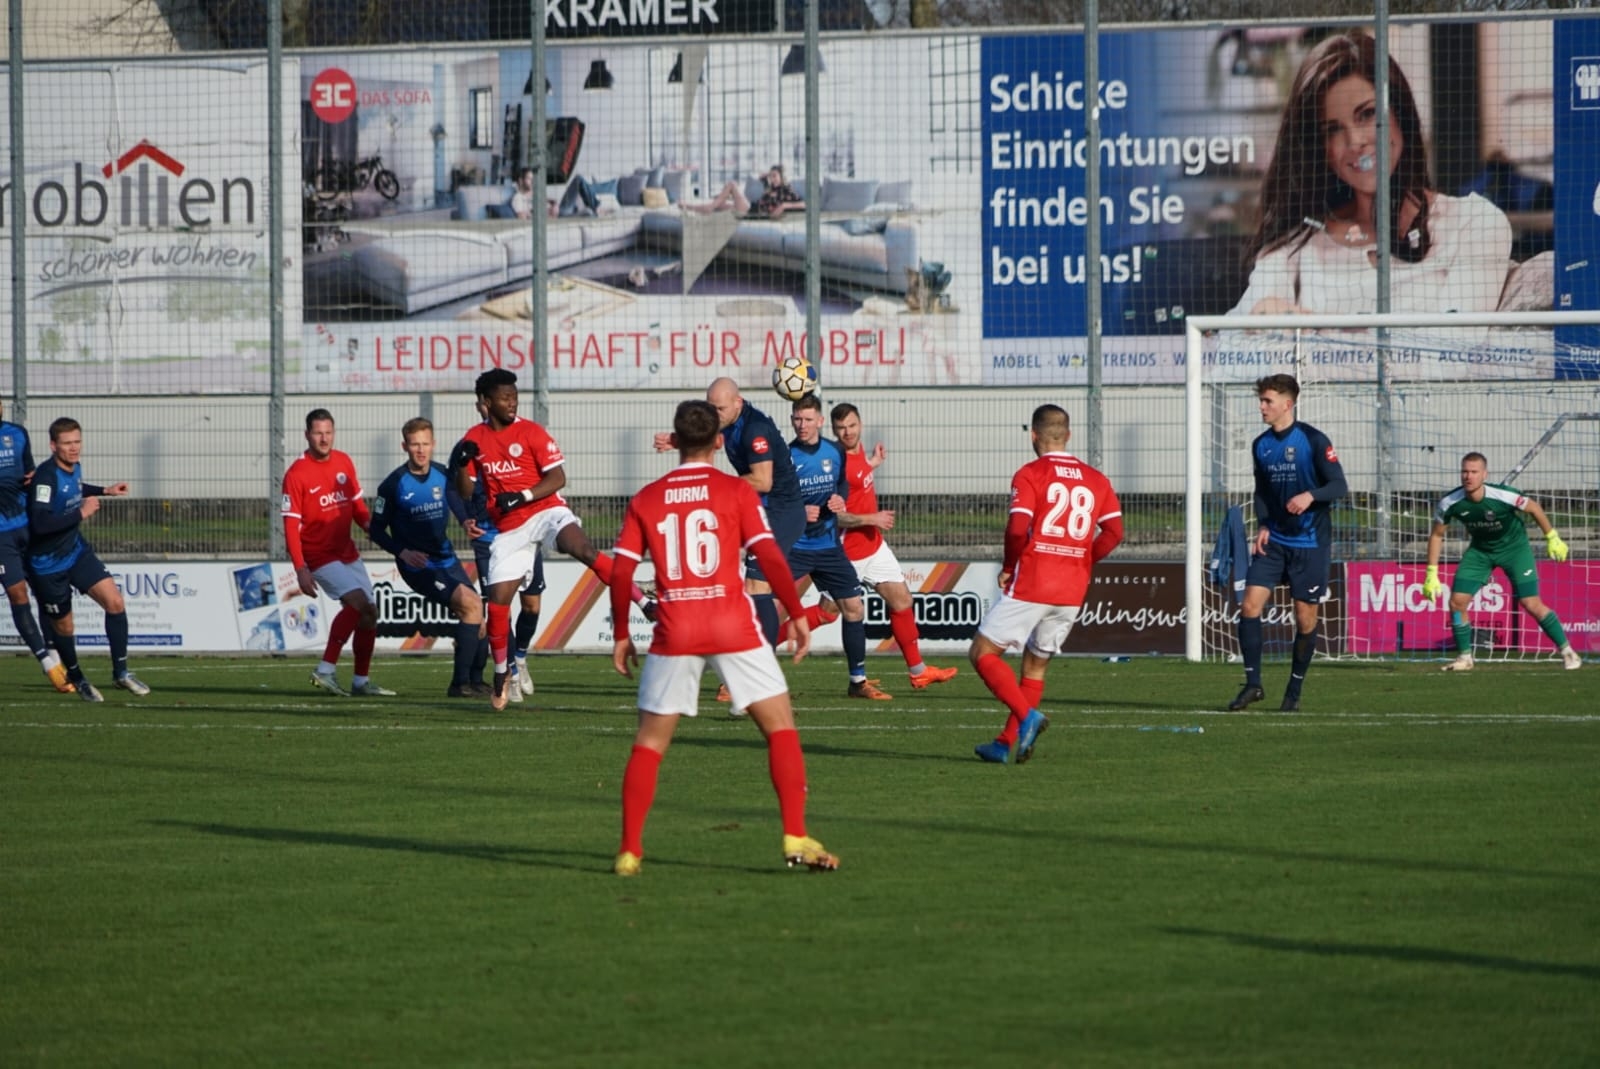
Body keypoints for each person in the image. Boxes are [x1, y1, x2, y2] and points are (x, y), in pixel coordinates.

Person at [608, 399, 837, 877]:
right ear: (718, 441)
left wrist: (622, 634)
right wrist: (796, 612)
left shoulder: (647, 498)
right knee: (780, 728)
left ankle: (629, 851)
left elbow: (623, 570)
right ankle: (795, 834)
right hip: (733, 625)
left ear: (675, 440)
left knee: (649, 744)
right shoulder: (735, 491)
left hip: (676, 630)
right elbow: (769, 556)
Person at [1229, 30, 1512, 324]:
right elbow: (1238, 336)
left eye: (1366, 114)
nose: (1355, 142)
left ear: (1399, 112)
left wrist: (1316, 331)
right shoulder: (1296, 245)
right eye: (1333, 130)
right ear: (1319, 148)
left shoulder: (1474, 223)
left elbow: (1457, 345)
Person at [450, 368, 652, 711]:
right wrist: (460, 465)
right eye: (504, 398)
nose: (512, 403)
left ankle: (644, 603)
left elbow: (558, 478)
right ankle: (502, 673)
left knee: (583, 548)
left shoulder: (531, 432)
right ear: (486, 402)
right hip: (510, 530)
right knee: (498, 603)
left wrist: (522, 496)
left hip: (545, 510)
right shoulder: (474, 438)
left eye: (514, 397)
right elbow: (467, 493)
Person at [969, 405, 1123, 764]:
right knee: (1035, 667)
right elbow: (1114, 532)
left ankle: (1027, 717)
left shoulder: (1030, 474)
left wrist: (1010, 566)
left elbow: (1017, 529)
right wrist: (1082, 560)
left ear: (1033, 435)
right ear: (1068, 436)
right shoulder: (1096, 479)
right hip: (1071, 589)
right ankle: (1004, 744)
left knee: (982, 653)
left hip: (1035, 580)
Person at [653, 377, 805, 651]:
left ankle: (763, 663)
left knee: (756, 586)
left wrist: (715, 484)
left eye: (720, 408)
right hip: (758, 508)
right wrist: (677, 441)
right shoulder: (726, 420)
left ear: (738, 402)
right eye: (710, 407)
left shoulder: (755, 430)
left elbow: (763, 481)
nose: (714, 414)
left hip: (781, 511)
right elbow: (706, 438)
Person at [1228, 375, 1348, 713]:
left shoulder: (1312, 440)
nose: (1261, 407)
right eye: (1261, 400)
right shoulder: (1261, 445)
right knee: (1249, 606)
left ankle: (1293, 692)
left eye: (1267, 401)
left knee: (1305, 619)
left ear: (1287, 404)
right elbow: (1262, 492)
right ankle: (1253, 684)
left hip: (1309, 543)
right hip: (1275, 541)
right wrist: (1264, 524)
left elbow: (1339, 486)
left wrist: (1311, 495)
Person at [826, 402, 960, 692]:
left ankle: (918, 672)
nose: (847, 432)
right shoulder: (836, 463)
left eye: (851, 425)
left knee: (902, 601)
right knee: (826, 613)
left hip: (873, 547)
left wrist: (872, 464)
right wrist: (871, 518)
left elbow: (858, 478)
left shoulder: (859, 454)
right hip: (847, 553)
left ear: (860, 424)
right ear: (833, 431)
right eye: (841, 428)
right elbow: (835, 516)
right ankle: (756, 652)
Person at [25, 417, 149, 701]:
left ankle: (121, 673)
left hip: (76, 552)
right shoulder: (45, 477)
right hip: (47, 565)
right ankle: (77, 677)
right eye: (67, 443)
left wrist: (105, 490)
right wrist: (81, 513)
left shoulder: (74, 467)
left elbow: (75, 488)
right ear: (53, 446)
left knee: (115, 602)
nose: (74, 448)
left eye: (77, 442)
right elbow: (40, 524)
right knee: (65, 628)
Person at [1422, 452, 1581, 672]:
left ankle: (1567, 651)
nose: (1468, 476)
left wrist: (1552, 537)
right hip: (1480, 552)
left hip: (1515, 550)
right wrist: (1431, 573)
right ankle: (1465, 658)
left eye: (1474, 472)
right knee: (1457, 602)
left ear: (1484, 475)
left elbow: (1533, 508)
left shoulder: (1502, 495)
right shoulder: (1450, 502)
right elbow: (1437, 535)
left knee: (1530, 603)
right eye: (1465, 471)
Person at [367, 418, 486, 698]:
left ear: (433, 444)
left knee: (478, 616)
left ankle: (477, 681)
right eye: (414, 444)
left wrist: (466, 521)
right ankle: (459, 685)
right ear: (405, 446)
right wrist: (403, 552)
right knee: (471, 605)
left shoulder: (444, 475)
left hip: (446, 558)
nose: (420, 450)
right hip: (418, 565)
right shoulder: (393, 485)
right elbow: (375, 530)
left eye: (425, 444)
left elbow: (459, 502)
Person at [281, 408, 395, 698]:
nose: (324, 439)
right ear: (307, 435)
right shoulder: (296, 474)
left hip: (347, 552)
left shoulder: (343, 461)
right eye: (318, 433)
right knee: (357, 603)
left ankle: (360, 681)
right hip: (318, 555)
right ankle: (325, 670)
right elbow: (290, 526)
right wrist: (300, 568)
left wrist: (372, 528)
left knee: (369, 612)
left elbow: (357, 506)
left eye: (328, 432)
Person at [787, 393, 888, 700]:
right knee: (768, 608)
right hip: (795, 546)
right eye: (797, 419)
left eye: (808, 419)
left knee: (854, 608)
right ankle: (732, 681)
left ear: (820, 421)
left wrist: (839, 499)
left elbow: (841, 484)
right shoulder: (786, 456)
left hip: (829, 547)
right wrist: (798, 512)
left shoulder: (834, 452)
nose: (802, 425)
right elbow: (770, 499)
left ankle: (857, 682)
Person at [0, 398, 72, 692]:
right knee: (18, 595)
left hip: (27, 525)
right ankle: (47, 663)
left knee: (44, 591)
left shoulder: (17, 434)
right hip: (1, 536)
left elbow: (29, 473)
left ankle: (55, 655)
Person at [685, 165, 804, 219]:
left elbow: (804, 204)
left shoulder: (786, 190)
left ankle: (708, 208)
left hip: (751, 211)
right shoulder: (770, 186)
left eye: (775, 176)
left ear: (782, 177)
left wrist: (784, 205)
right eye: (771, 176)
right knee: (720, 204)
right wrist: (769, 174)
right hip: (751, 206)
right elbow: (760, 176)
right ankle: (688, 206)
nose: (772, 179)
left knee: (732, 184)